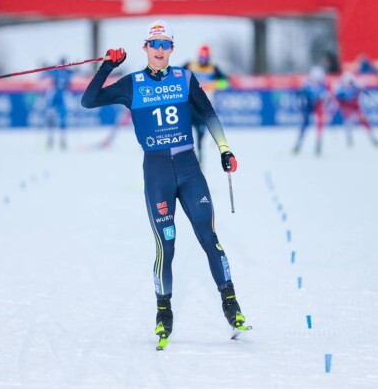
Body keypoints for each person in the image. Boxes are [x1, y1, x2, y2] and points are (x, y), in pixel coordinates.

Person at [81, 20, 248, 347]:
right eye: (154, 45)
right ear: (146, 48)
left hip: (188, 167)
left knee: (208, 237)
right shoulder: (131, 84)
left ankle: (232, 305)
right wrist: (106, 67)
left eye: (165, 45)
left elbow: (209, 114)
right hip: (157, 172)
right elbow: (89, 100)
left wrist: (225, 150)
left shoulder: (185, 78)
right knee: (166, 246)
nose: (159, 50)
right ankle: (163, 313)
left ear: (172, 49)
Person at [183, 45, 229, 164]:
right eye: (201, 57)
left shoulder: (213, 68)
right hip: (189, 106)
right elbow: (176, 75)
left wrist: (212, 85)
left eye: (205, 57)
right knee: (183, 133)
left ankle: (200, 160)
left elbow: (226, 82)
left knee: (200, 136)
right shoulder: (190, 65)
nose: (203, 60)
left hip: (204, 108)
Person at [333, 71, 378, 147]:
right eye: (347, 82)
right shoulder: (340, 89)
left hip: (355, 106)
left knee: (364, 120)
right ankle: (349, 139)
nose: (348, 84)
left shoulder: (355, 87)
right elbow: (339, 96)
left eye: (350, 83)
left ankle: (372, 138)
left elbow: (360, 89)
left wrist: (361, 89)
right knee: (348, 122)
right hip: (346, 107)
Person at [292, 65, 329, 155]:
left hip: (317, 105)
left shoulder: (323, 86)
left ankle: (318, 143)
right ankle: (299, 143)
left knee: (320, 121)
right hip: (308, 106)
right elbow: (300, 96)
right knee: (305, 124)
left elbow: (326, 97)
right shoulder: (307, 86)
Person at [43, 58, 73, 150]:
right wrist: (45, 66)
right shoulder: (55, 71)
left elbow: (71, 81)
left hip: (63, 97)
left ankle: (62, 142)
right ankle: (50, 140)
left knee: (63, 121)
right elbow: (46, 73)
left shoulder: (68, 73)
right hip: (54, 96)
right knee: (51, 119)